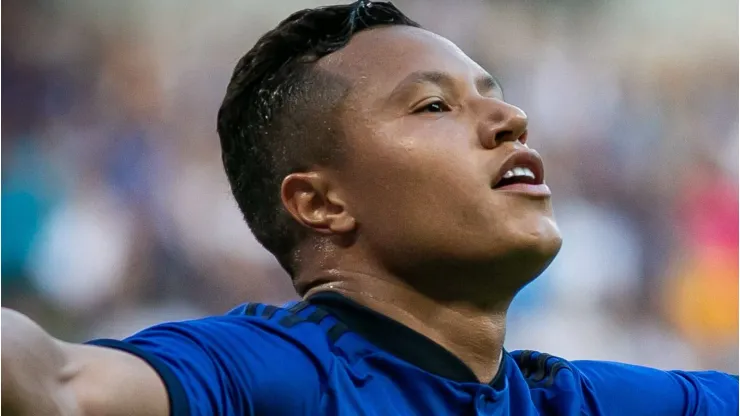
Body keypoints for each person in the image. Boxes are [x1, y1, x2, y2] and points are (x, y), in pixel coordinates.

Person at [2, 1, 737, 415]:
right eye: (434, 104)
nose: (510, 117)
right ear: (320, 203)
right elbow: (56, 384)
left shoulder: (584, 400)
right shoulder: (273, 375)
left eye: (494, 91)